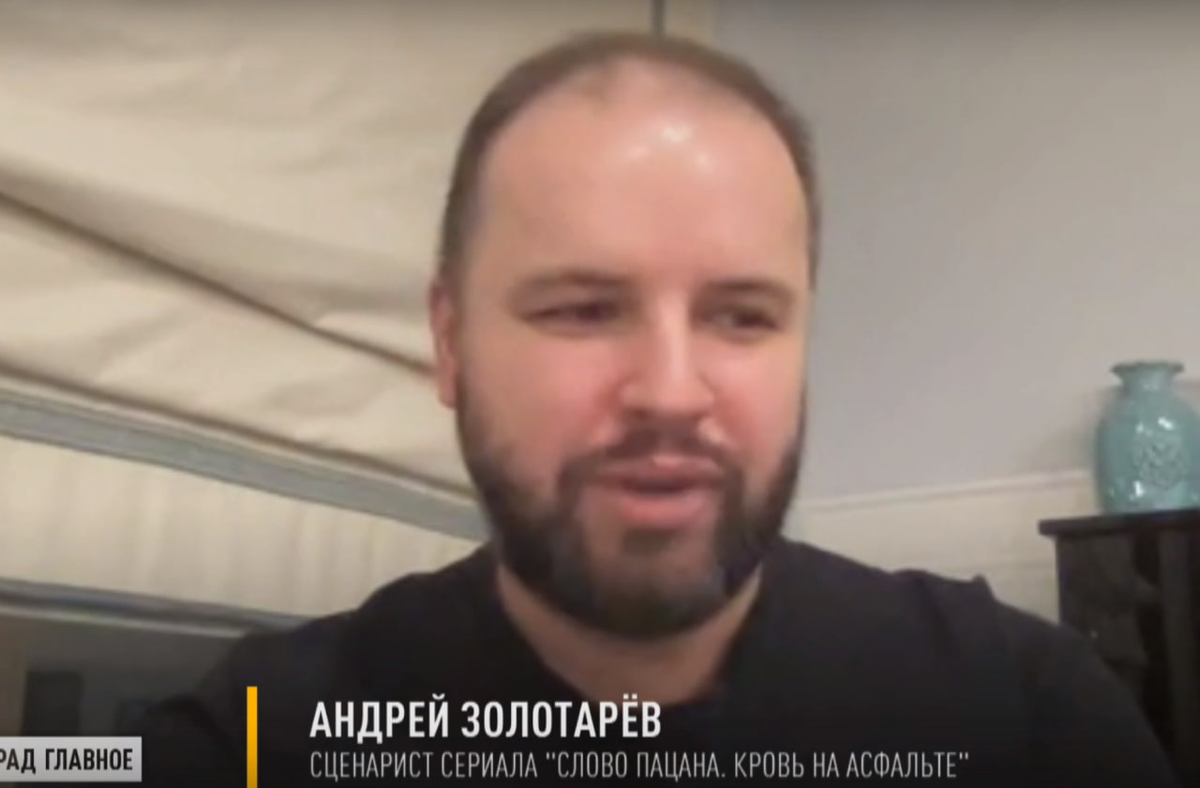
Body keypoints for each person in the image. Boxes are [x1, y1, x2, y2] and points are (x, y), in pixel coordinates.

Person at [138, 32, 1180, 787]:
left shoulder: (1024, 712)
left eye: (741, 316)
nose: (672, 392)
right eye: (584, 309)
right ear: (451, 342)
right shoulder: (254, 741)